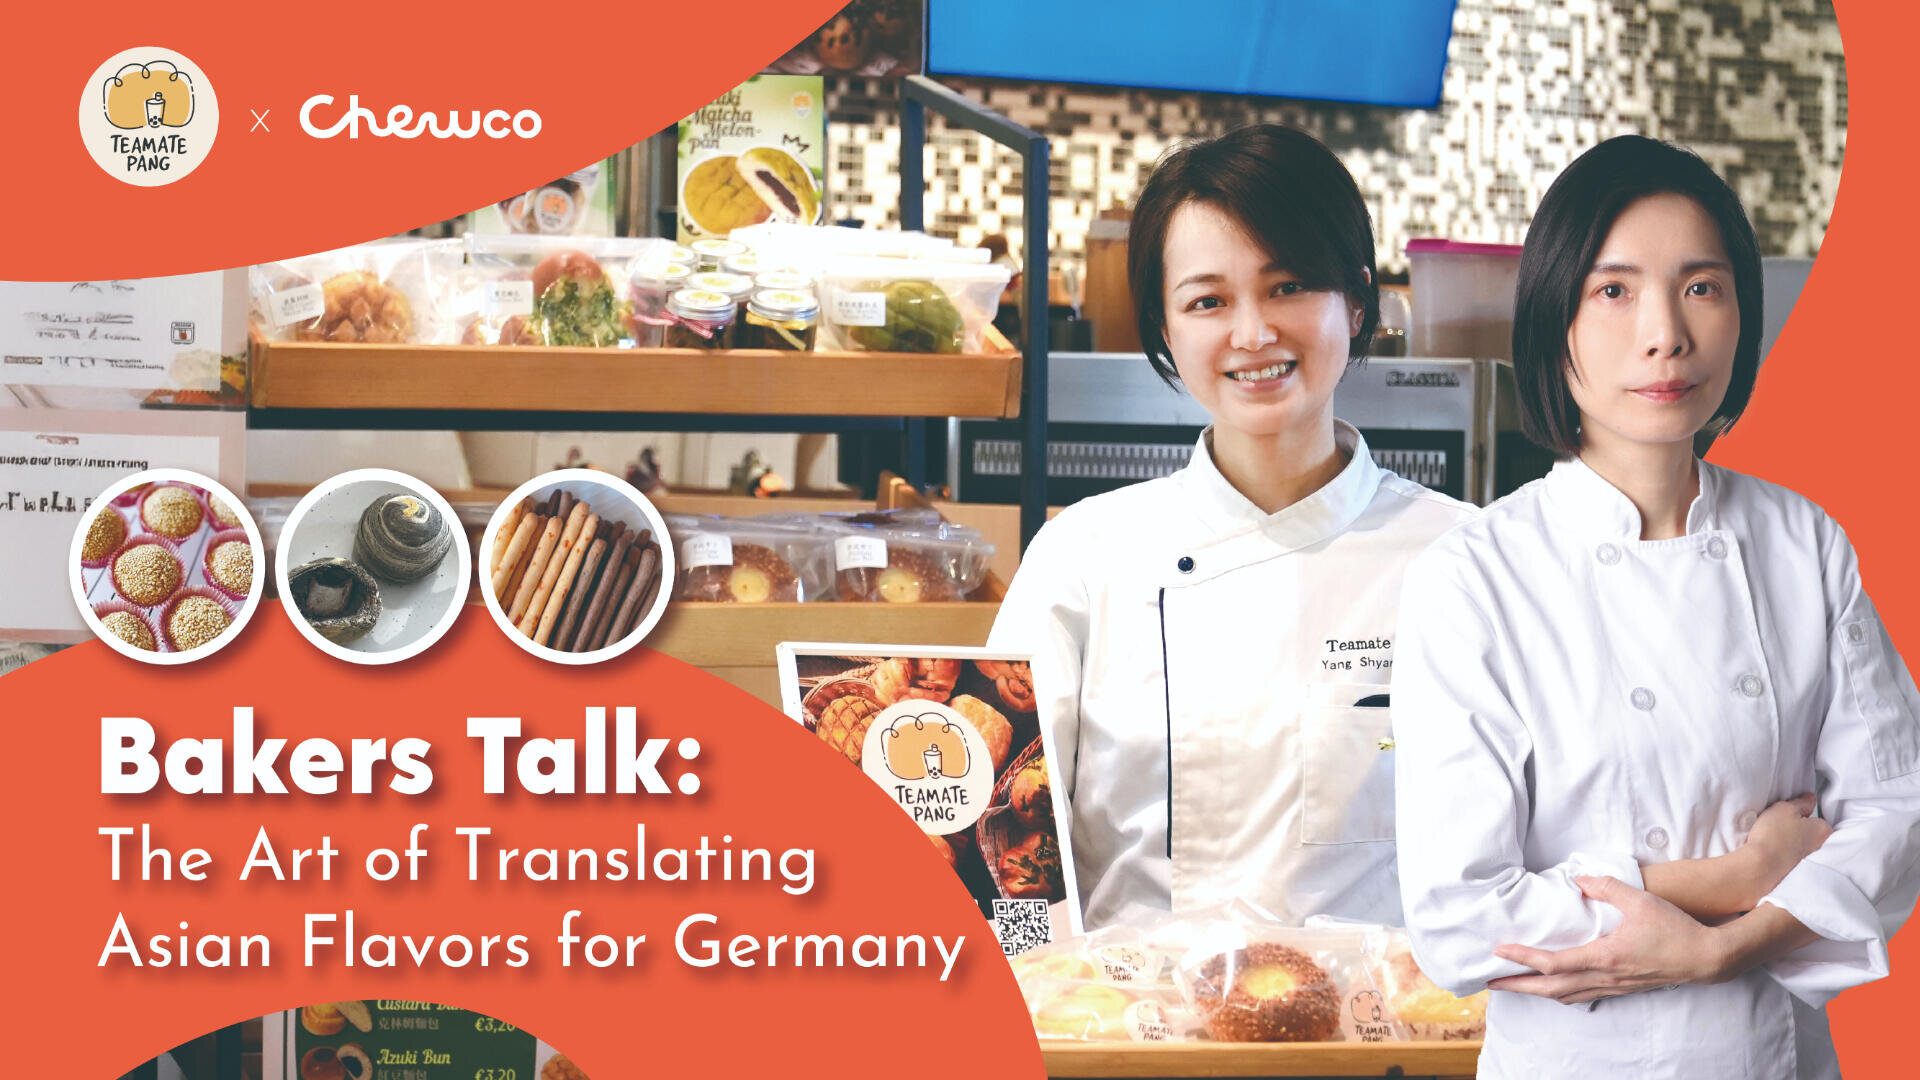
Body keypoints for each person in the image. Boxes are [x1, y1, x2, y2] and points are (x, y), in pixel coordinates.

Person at [1393, 135, 1920, 1079]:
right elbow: (1461, 916)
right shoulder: (1474, 577)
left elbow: (1895, 809)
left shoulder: (1804, 543)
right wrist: (1743, 878)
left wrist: (1722, 950)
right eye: (1614, 290)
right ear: (1553, 319)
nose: (1665, 333)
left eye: (1701, 287)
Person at [988, 124, 1476, 929]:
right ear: (1165, 327)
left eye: (1288, 286)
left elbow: (1518, 849)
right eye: (1208, 301)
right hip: (1122, 1006)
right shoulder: (1083, 557)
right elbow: (1004, 843)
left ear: (1357, 300)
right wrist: (1033, 992)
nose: (1252, 334)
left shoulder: (1462, 558)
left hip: (1378, 1010)